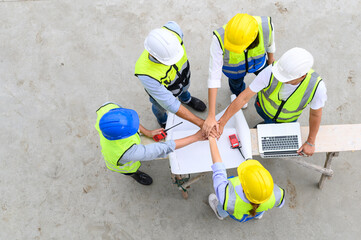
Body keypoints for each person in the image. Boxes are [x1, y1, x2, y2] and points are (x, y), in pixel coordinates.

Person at [217, 47, 327, 157]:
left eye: (285, 79)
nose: (279, 79)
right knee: (268, 124)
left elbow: (315, 114)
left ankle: (265, 126)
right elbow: (244, 98)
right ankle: (266, 124)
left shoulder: (316, 87)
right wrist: (221, 122)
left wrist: (310, 142)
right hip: (263, 110)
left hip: (288, 119)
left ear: (302, 76)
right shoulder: (271, 71)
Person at [95, 102, 205, 185]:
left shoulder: (108, 110)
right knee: (130, 170)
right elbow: (163, 148)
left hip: (121, 143)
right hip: (120, 164)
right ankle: (135, 175)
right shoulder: (126, 152)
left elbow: (128, 122)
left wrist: (148, 132)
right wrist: (196, 137)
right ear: (125, 135)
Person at [203, 13, 276, 136]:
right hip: (234, 70)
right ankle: (238, 93)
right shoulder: (219, 38)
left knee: (267, 83)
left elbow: (270, 44)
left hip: (258, 63)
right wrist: (211, 115)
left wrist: (270, 60)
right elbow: (213, 76)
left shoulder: (265, 26)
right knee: (236, 84)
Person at [135, 21, 206, 129]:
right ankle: (163, 120)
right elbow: (170, 103)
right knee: (160, 108)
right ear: (153, 55)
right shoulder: (145, 74)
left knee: (185, 89)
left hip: (184, 76)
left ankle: (186, 99)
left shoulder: (174, 29)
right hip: (166, 91)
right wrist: (200, 123)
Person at [208, 137, 285, 222]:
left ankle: (220, 213)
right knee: (259, 209)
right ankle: (257, 215)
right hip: (258, 208)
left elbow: (219, 172)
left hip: (236, 212)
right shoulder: (277, 193)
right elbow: (280, 203)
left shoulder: (227, 197)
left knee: (223, 207)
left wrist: (211, 139)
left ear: (244, 187)